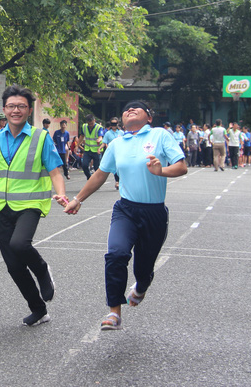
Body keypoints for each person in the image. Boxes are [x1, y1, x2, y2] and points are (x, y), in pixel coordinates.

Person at [60, 100, 187, 331]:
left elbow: (181, 166)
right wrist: (77, 199)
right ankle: (114, 312)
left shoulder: (160, 135)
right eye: (127, 108)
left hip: (154, 213)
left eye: (137, 107)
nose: (130, 109)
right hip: (125, 210)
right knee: (116, 254)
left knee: (143, 270)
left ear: (149, 117)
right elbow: (100, 174)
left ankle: (141, 287)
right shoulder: (117, 143)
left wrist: (162, 171)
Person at [0, 84, 66, 327]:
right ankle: (39, 310)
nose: (16, 110)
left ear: (29, 110)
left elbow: (55, 171)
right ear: (4, 109)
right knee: (14, 266)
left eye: (21, 106)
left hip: (30, 204)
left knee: (20, 244)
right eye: (11, 106)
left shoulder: (41, 138)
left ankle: (41, 269)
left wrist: (61, 195)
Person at [102, 117, 124, 189]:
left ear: (117, 124)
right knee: (115, 167)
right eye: (112, 124)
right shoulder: (108, 133)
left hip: (121, 152)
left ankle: (121, 181)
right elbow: (104, 142)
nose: (114, 125)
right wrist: (100, 148)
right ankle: (117, 181)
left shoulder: (121, 133)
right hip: (113, 153)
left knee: (120, 167)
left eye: (115, 124)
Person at [81, 114, 103, 179]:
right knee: (84, 165)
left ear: (94, 120)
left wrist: (99, 139)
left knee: (97, 168)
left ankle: (97, 181)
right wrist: (77, 146)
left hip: (96, 150)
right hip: (87, 150)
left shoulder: (99, 127)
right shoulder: (84, 126)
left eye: (92, 123)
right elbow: (82, 136)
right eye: (89, 124)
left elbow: (100, 136)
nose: (90, 125)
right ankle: (89, 177)